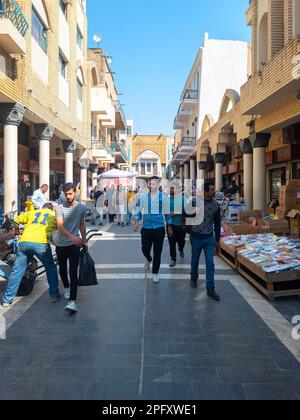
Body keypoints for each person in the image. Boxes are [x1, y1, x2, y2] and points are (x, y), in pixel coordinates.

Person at [1, 203, 61, 307]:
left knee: (17, 271)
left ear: (42, 208)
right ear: (51, 208)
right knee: (51, 268)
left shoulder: (32, 213)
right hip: (41, 244)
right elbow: (59, 228)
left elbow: (15, 219)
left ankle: (7, 299)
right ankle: (54, 295)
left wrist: (16, 231)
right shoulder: (53, 215)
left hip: (24, 243)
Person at [53, 183, 87, 314]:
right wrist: (72, 237)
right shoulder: (59, 208)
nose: (68, 196)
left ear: (75, 193)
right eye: (66, 194)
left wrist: (83, 241)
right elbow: (60, 227)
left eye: (70, 194)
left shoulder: (81, 208)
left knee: (73, 271)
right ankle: (66, 287)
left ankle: (72, 301)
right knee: (62, 269)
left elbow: (82, 225)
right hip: (61, 244)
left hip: (74, 245)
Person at [134, 176, 173, 284]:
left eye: (155, 183)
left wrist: (169, 226)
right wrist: (137, 222)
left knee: (158, 252)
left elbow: (167, 212)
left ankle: (155, 273)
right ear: (149, 185)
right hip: (146, 228)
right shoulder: (143, 196)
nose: (153, 185)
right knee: (145, 248)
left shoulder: (163, 197)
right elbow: (138, 209)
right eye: (151, 183)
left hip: (159, 228)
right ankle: (148, 258)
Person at [190, 181, 221, 301]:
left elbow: (217, 223)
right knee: (194, 259)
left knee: (210, 263)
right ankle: (193, 277)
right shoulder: (195, 202)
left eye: (214, 189)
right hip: (196, 237)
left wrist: (217, 239)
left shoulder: (215, 205)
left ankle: (210, 288)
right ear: (205, 192)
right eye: (212, 190)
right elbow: (185, 216)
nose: (214, 192)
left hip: (209, 238)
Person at [168, 185, 187, 267]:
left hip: (181, 225)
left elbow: (188, 210)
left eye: (173, 188)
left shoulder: (183, 199)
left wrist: (175, 212)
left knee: (181, 241)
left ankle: (181, 249)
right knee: (171, 243)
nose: (171, 189)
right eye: (170, 188)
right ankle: (173, 258)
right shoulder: (167, 200)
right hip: (170, 225)